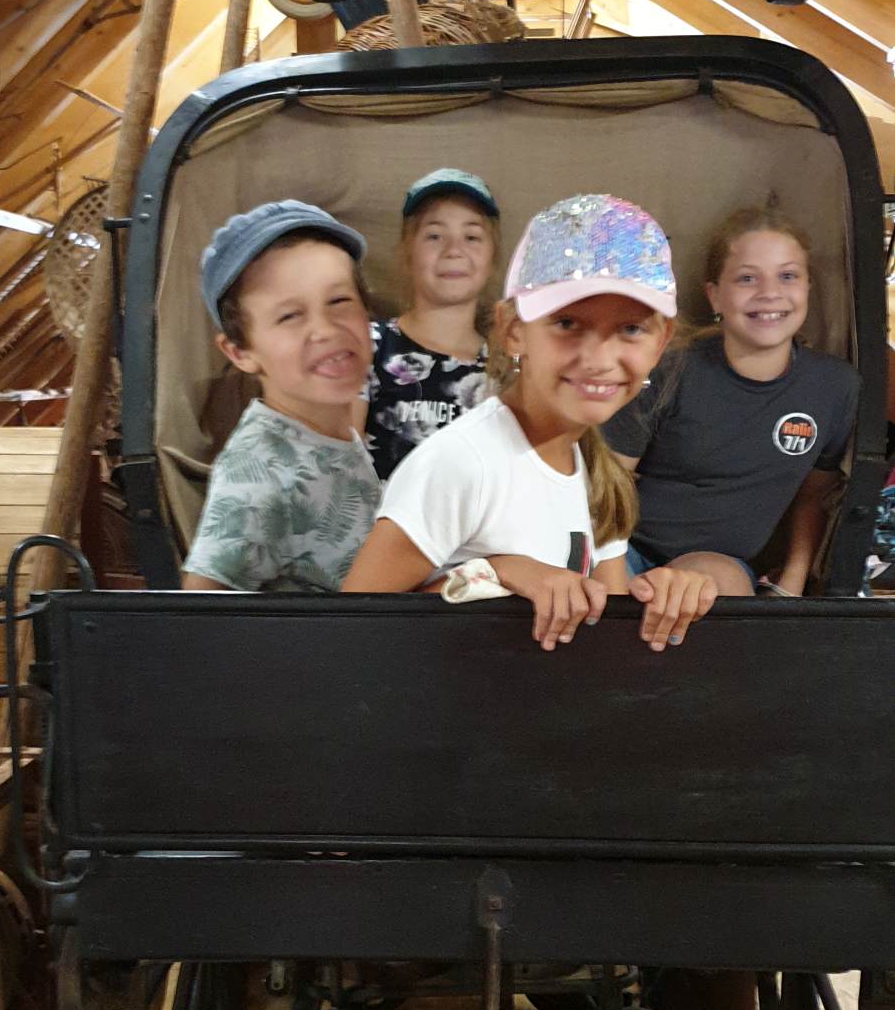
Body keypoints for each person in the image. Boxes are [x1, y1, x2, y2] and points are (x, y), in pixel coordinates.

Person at [343, 193, 718, 653]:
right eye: (567, 323)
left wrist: (662, 596)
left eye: (630, 329)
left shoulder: (600, 476)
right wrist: (495, 572)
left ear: (659, 343)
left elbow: (604, 643)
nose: (599, 359)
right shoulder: (463, 463)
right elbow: (351, 632)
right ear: (513, 330)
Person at [605, 204, 861, 597]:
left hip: (719, 565)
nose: (770, 293)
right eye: (747, 278)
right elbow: (606, 482)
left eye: (788, 276)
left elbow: (813, 496)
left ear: (807, 287)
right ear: (715, 297)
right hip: (626, 550)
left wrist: (792, 582)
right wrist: (614, 582)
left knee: (710, 586)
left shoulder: (835, 386)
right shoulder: (669, 369)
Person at [183, 200, 380, 594]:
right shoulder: (259, 480)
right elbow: (200, 611)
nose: (325, 329)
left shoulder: (323, 434)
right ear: (240, 352)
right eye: (290, 316)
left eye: (339, 301)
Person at [358, 167, 498, 479]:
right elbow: (341, 466)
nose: (454, 250)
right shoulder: (367, 346)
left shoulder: (508, 368)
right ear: (407, 251)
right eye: (434, 236)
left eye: (472, 237)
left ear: (493, 257)